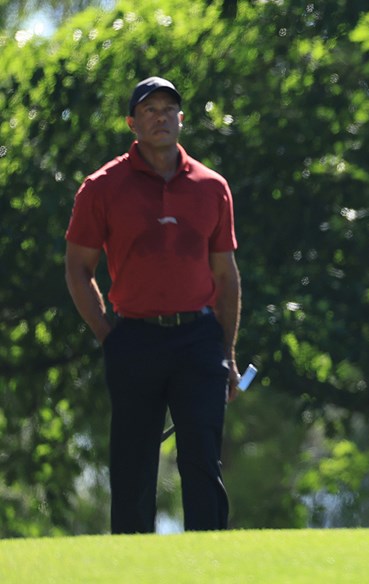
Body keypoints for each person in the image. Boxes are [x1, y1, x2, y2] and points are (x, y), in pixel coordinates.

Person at [65, 76, 242, 533]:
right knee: (132, 468)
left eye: (168, 109)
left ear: (181, 120)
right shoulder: (101, 187)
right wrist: (109, 334)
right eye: (149, 110)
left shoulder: (211, 186)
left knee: (202, 460)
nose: (160, 117)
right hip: (133, 337)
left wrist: (228, 354)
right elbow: (78, 270)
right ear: (132, 123)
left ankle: (210, 567)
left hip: (199, 339)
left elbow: (225, 276)